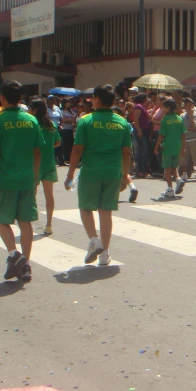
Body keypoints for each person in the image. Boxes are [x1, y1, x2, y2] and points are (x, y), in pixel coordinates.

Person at [66, 84, 132, 266]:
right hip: (113, 172)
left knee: (86, 208)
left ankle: (94, 241)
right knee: (106, 211)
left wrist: (70, 173)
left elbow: (78, 148)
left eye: (93, 98)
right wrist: (125, 175)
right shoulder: (122, 122)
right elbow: (127, 151)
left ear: (97, 99)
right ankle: (105, 254)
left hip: (90, 171)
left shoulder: (86, 121)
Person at [0, 81, 44, 282]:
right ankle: (25, 264)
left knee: (2, 220)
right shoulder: (31, 121)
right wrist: (35, 176)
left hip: (5, 178)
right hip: (27, 178)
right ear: (20, 99)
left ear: (2, 98)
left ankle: (14, 254)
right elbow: (38, 151)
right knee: (25, 222)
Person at [30, 98, 61, 235]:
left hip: (34, 164)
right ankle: (49, 224)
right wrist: (48, 147)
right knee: (49, 194)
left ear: (35, 110)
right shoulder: (51, 125)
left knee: (32, 194)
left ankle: (29, 223)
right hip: (49, 163)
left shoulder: (32, 124)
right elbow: (58, 142)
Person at [155, 98, 187, 199]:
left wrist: (156, 146)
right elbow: (183, 134)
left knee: (167, 169)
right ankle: (178, 180)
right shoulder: (179, 118)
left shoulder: (165, 120)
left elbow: (161, 135)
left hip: (168, 146)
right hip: (177, 146)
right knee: (174, 167)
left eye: (163, 107)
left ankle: (170, 189)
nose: (162, 109)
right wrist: (183, 147)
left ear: (168, 108)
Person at [180, 98, 196, 180]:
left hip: (194, 139)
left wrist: (191, 115)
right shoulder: (182, 116)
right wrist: (187, 128)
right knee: (184, 157)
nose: (188, 107)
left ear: (193, 105)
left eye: (190, 105)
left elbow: (194, 127)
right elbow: (182, 128)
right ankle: (184, 174)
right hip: (185, 139)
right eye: (186, 105)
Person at [46, 96, 64, 166]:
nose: (53, 101)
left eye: (54, 100)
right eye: (51, 100)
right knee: (52, 144)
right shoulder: (46, 109)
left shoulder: (57, 108)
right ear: (48, 101)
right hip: (50, 129)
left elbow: (61, 118)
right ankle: (54, 160)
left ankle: (61, 160)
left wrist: (61, 125)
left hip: (58, 128)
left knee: (60, 144)